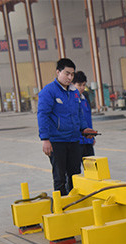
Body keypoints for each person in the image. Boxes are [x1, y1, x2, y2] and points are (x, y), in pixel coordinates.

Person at [38, 58, 96, 196]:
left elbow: (79, 113)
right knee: (60, 177)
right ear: (58, 72)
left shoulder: (74, 92)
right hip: (57, 142)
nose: (70, 77)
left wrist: (84, 128)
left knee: (75, 175)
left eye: (72, 74)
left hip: (74, 140)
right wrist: (45, 139)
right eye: (67, 73)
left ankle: (75, 201)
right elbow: (43, 115)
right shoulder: (48, 91)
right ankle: (62, 204)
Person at [72, 71, 95, 158]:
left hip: (88, 140)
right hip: (76, 142)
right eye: (79, 85)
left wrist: (92, 137)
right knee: (75, 166)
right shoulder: (70, 100)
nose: (82, 87)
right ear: (72, 84)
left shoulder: (84, 99)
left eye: (84, 85)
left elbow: (88, 119)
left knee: (91, 164)